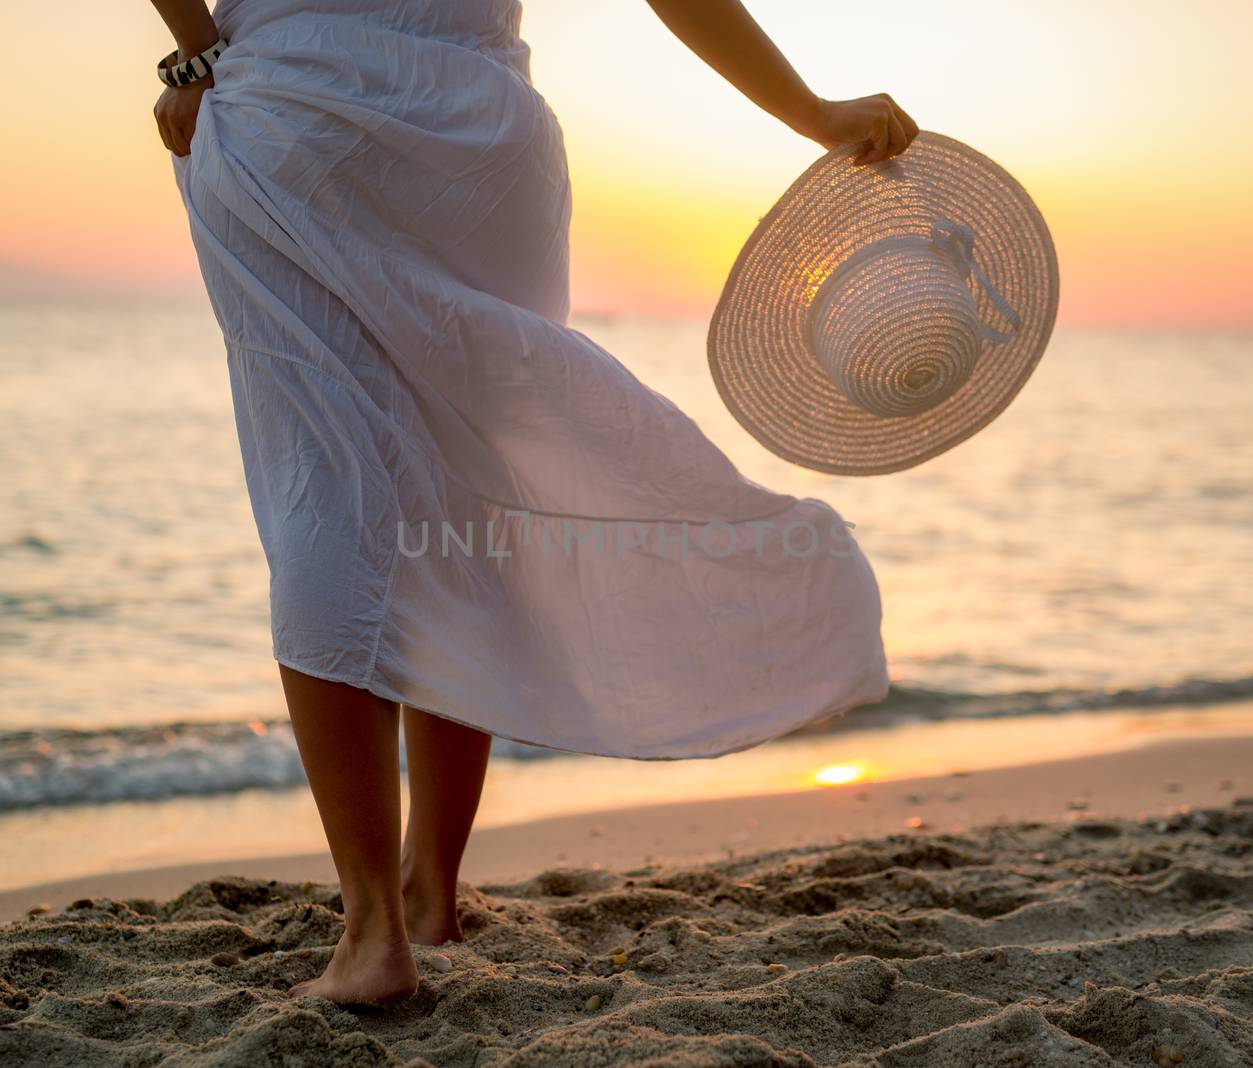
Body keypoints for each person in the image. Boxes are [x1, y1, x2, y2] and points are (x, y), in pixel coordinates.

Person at [148, 0, 915, 1005]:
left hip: (300, 106)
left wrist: (195, 52)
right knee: (476, 490)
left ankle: (374, 930)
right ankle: (430, 893)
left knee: (326, 491)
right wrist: (812, 113)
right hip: (477, 128)